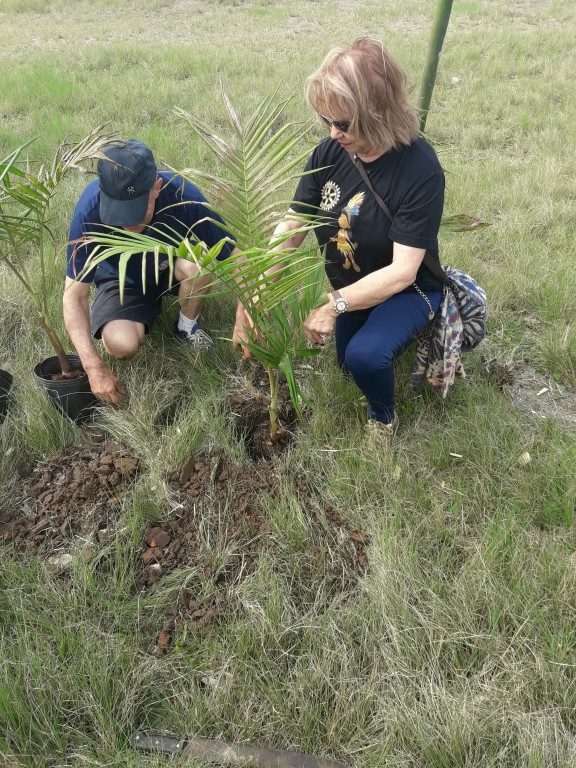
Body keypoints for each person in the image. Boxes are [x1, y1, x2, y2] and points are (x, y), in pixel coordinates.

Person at [233, 38, 445, 449]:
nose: (332, 132)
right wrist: (256, 293)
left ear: (377, 112)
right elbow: (292, 225)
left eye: (343, 123)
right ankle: (386, 338)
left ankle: (383, 419)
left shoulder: (420, 170)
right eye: (325, 120)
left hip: (409, 289)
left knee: (366, 357)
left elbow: (402, 272)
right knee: (349, 368)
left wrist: (333, 306)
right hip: (354, 288)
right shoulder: (329, 153)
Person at [64, 139, 234, 405]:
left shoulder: (182, 194)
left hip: (168, 264)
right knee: (121, 345)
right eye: (117, 212)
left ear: (156, 187)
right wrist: (93, 367)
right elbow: (73, 296)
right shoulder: (90, 209)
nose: (127, 222)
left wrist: (247, 310)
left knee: (199, 265)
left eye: (135, 210)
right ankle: (131, 310)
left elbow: (235, 254)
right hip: (121, 280)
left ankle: (186, 327)